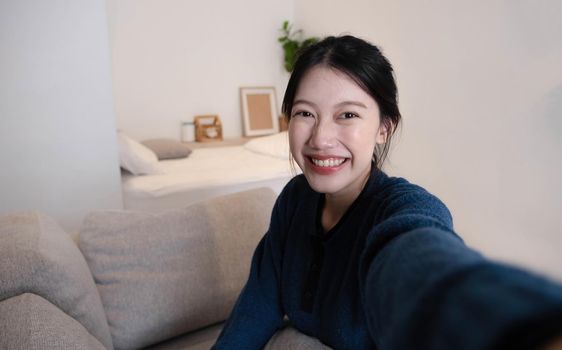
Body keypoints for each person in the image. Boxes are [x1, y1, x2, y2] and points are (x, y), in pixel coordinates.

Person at [212, 35, 562, 349]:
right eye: (305, 113)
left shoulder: (403, 208)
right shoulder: (294, 199)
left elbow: (420, 267)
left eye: (347, 114)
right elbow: (258, 304)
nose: (319, 138)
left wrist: (520, 324)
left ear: (383, 128)